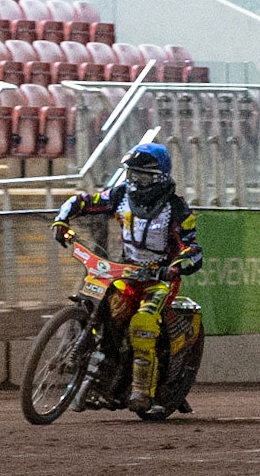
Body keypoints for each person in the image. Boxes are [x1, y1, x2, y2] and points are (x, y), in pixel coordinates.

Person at [51, 142, 203, 414]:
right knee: (107, 310)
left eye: (142, 176)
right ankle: (104, 373)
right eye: (131, 175)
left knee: (143, 323)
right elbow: (82, 201)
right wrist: (62, 221)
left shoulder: (177, 209)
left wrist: (176, 266)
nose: (135, 181)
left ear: (159, 178)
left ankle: (143, 392)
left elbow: (192, 250)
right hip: (127, 274)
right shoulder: (120, 195)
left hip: (160, 281)